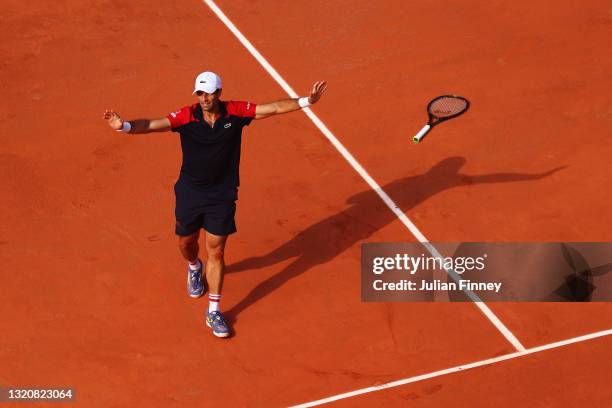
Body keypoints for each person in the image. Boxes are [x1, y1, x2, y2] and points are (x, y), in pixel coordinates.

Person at [103, 71, 327, 338]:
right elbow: (152, 124)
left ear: (219, 93)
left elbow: (273, 108)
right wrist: (124, 126)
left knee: (217, 251)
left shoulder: (235, 112)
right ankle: (194, 267)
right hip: (190, 192)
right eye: (200, 93)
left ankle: (214, 311)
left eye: (208, 93)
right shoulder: (186, 116)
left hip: (222, 194)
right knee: (186, 243)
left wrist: (306, 101)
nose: (204, 98)